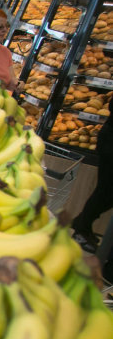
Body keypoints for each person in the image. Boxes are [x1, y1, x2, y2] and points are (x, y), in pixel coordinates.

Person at [71, 98, 113, 253]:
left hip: (108, 138)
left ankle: (82, 224)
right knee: (106, 191)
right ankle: (81, 230)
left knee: (107, 192)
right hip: (110, 141)